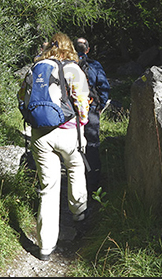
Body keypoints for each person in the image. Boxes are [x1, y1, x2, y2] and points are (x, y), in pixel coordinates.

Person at [27, 32, 90, 261]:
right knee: (75, 168)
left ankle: (45, 246)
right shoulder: (73, 68)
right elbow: (82, 102)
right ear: (68, 47)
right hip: (67, 132)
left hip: (40, 135)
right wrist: (81, 123)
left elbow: (22, 98)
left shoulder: (36, 68)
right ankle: (79, 214)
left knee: (48, 187)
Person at [74, 37, 110, 194]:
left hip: (72, 110)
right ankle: (93, 185)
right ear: (87, 50)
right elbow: (104, 86)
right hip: (91, 107)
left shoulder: (68, 66)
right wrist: (100, 106)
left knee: (72, 146)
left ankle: (73, 184)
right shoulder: (95, 65)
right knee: (93, 144)